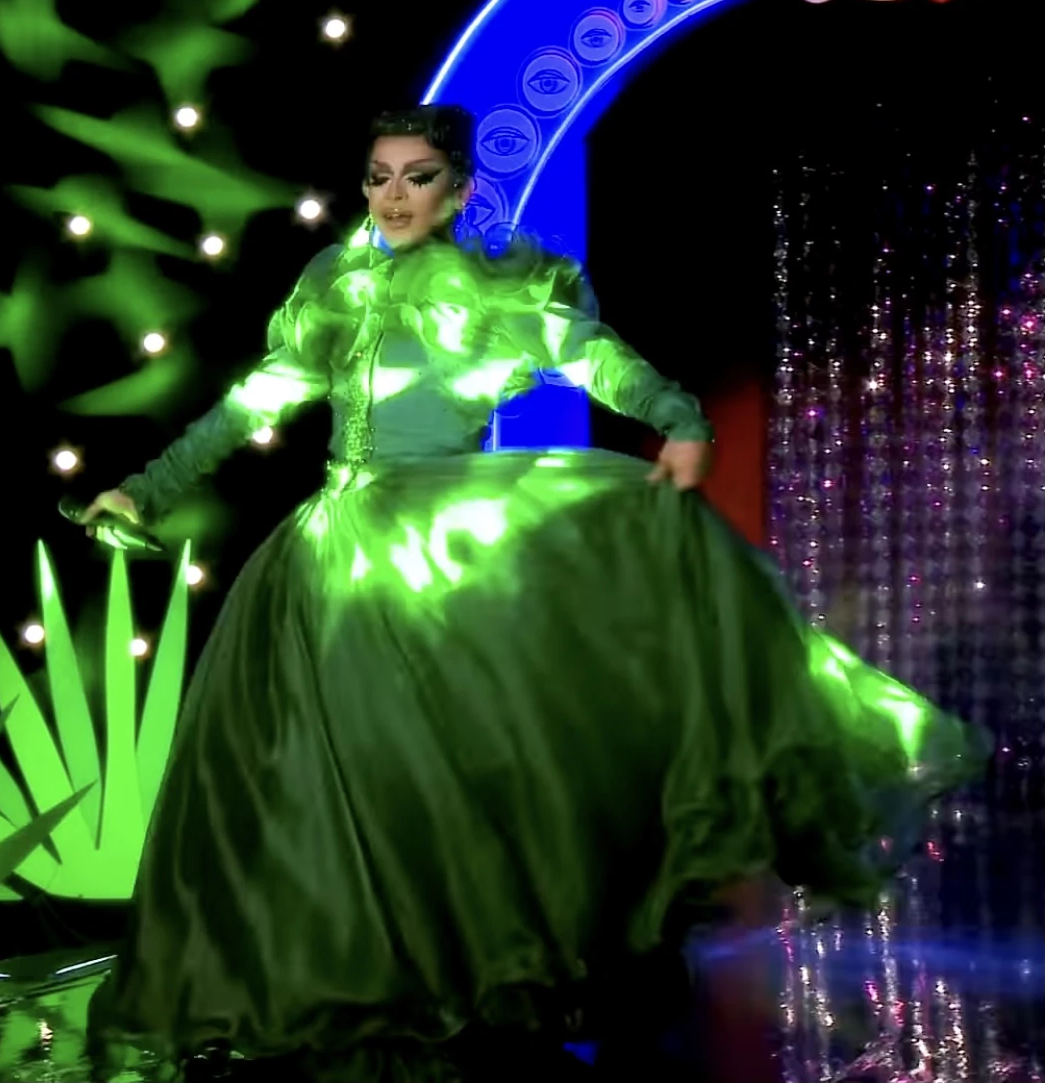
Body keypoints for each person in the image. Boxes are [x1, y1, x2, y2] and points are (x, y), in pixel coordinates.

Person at [83, 106, 986, 1082]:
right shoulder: (335, 293)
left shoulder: (494, 293)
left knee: (440, 777)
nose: (394, 196)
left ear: (459, 191)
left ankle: (462, 979)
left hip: (442, 554)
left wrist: (679, 417)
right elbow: (250, 402)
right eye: (378, 176)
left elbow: (593, 355)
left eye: (418, 176)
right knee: (334, 782)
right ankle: (360, 979)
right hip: (328, 556)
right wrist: (147, 486)